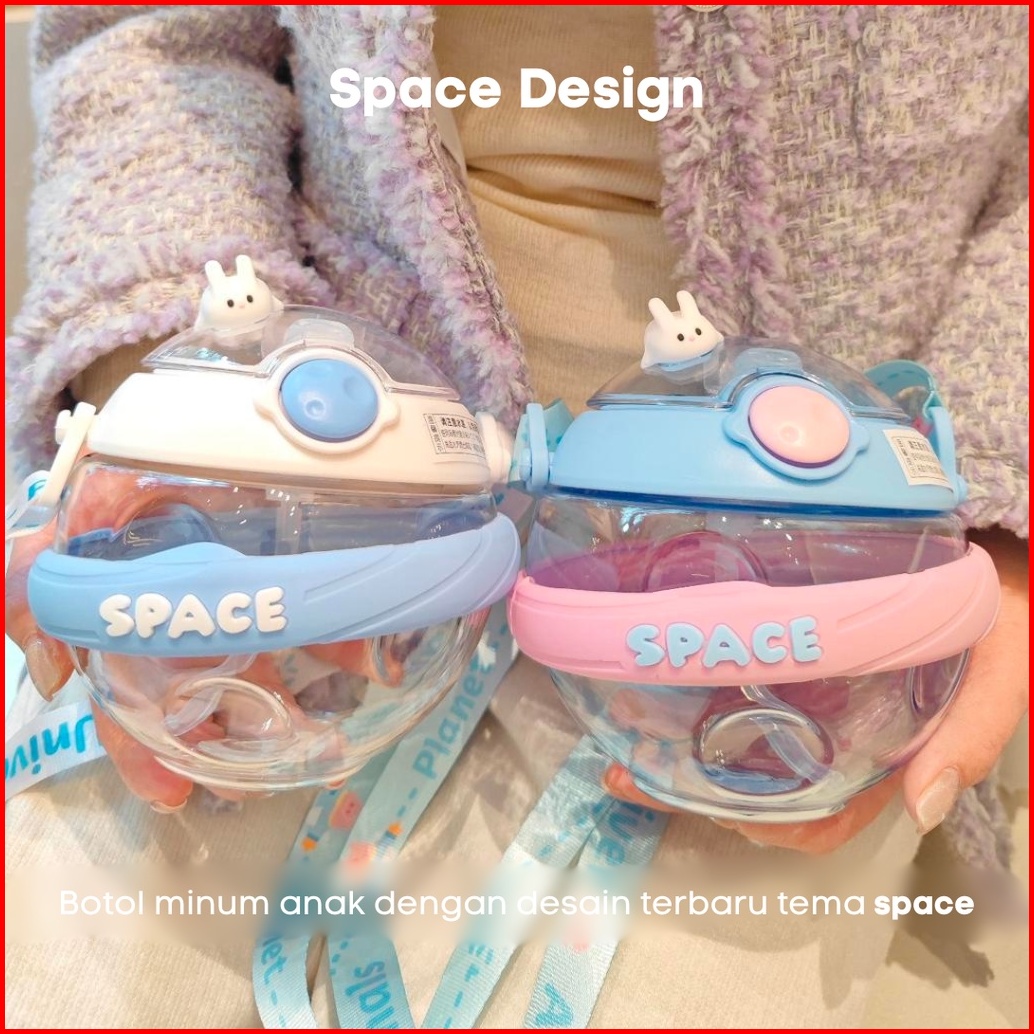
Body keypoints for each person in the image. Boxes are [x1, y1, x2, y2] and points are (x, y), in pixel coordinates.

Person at [6, 5, 1028, 1028]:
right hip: (289, 533)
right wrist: (159, 431)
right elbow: (144, 39)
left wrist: (993, 501)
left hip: (839, 590)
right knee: (60, 987)